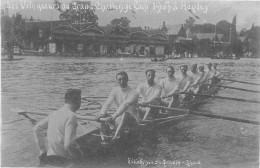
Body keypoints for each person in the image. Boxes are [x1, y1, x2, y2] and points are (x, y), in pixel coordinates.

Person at [33, 89, 83, 166]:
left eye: (79, 99)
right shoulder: (72, 116)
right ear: (67, 100)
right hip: (64, 159)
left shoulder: (54, 113)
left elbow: (36, 129)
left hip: (50, 157)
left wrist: (42, 152)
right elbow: (69, 144)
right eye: (76, 99)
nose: (79, 102)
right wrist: (78, 157)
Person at [95, 71, 140, 144]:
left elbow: (125, 104)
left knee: (126, 114)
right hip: (118, 118)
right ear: (116, 80)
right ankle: (104, 139)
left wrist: (113, 116)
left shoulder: (134, 92)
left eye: (124, 79)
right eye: (119, 80)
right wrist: (102, 114)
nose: (121, 81)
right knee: (102, 115)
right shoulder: (114, 90)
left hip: (133, 120)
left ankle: (115, 137)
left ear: (127, 80)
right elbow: (108, 103)